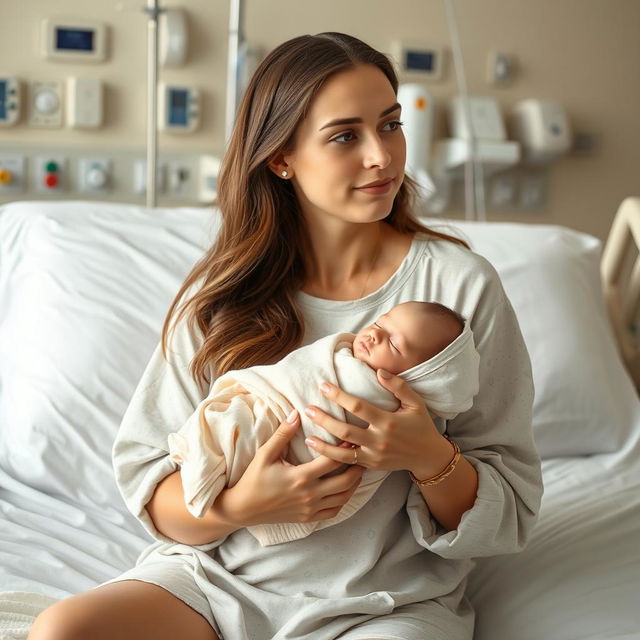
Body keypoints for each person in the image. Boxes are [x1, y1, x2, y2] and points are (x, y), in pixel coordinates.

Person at [28, 32, 543, 640]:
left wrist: (426, 456)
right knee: (63, 630)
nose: (381, 155)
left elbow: (509, 507)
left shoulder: (458, 287)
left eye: (391, 124)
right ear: (281, 158)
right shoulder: (224, 295)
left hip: (380, 606)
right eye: (345, 136)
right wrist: (244, 506)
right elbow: (152, 485)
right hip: (214, 585)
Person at [167, 300, 480, 547]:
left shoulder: (395, 403)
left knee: (240, 431)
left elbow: (486, 522)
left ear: (421, 376)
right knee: (239, 423)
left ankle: (210, 457)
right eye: (379, 323)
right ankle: (209, 459)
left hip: (375, 593)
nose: (373, 335)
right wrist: (238, 506)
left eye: (395, 346)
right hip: (208, 565)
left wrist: (429, 455)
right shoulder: (216, 296)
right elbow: (148, 480)